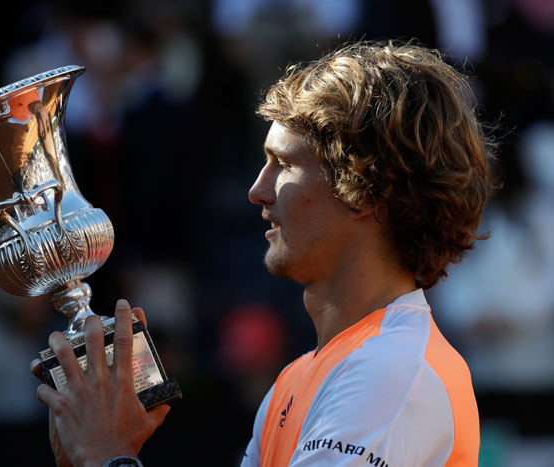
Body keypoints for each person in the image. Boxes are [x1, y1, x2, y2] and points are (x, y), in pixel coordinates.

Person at [31, 41, 496, 467]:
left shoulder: (391, 371)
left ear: (365, 188)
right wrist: (102, 449)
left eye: (285, 164)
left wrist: (107, 455)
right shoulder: (296, 380)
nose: (257, 190)